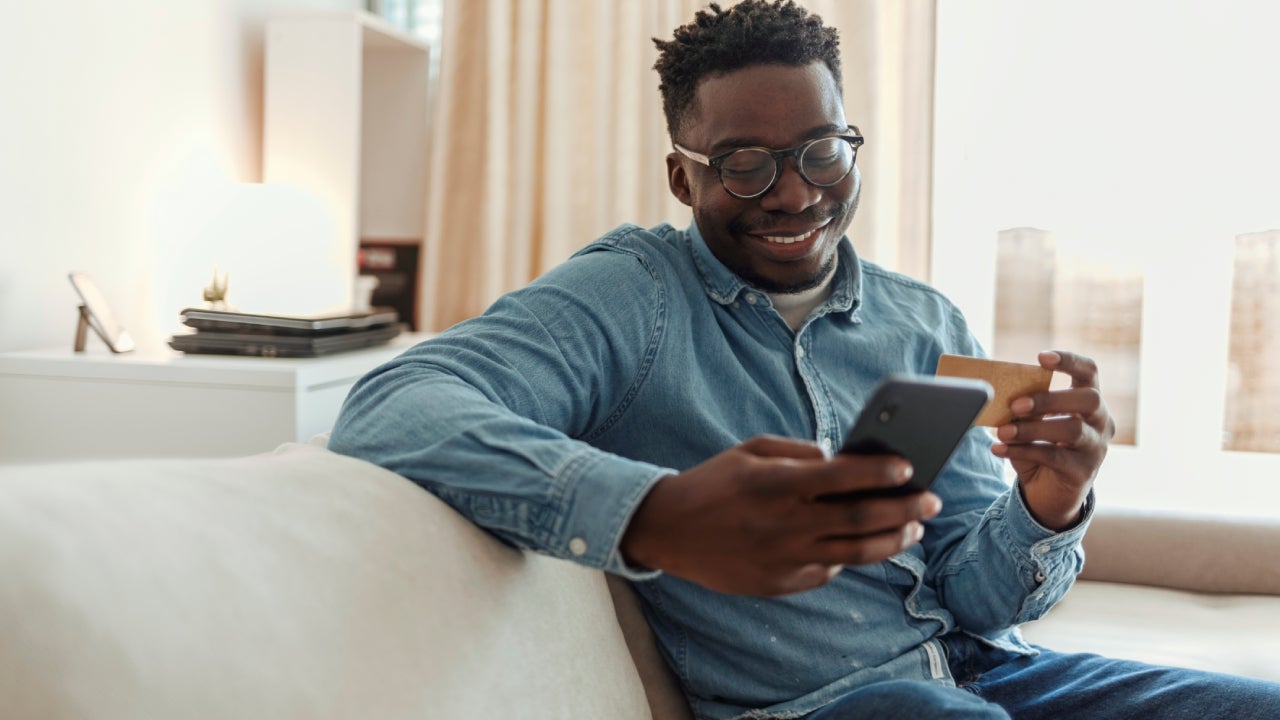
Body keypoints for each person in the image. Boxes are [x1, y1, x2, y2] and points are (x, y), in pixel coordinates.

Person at [329, 2, 1280, 718]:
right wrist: (653, 513)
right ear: (681, 174)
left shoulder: (921, 320)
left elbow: (976, 597)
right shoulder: (633, 297)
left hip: (988, 673)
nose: (793, 194)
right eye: (742, 163)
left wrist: (1050, 502)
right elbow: (393, 403)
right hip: (820, 706)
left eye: (822, 152)